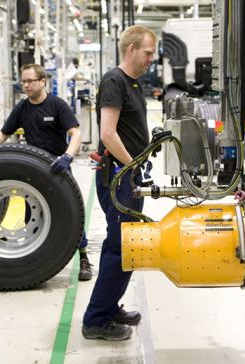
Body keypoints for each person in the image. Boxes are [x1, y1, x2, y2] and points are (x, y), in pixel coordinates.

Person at [82, 25, 157, 341]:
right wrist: (133, 165)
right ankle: (95, 320)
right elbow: (107, 134)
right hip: (118, 178)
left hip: (128, 176)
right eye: (148, 52)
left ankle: (109, 305)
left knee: (127, 245)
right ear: (131, 49)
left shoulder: (134, 84)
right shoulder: (114, 81)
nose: (151, 58)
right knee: (121, 246)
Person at [0, 63, 93, 281]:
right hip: (33, 170)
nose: (25, 85)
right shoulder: (22, 108)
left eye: (30, 81)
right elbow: (4, 134)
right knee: (31, 214)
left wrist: (67, 157)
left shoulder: (57, 105)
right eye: (23, 81)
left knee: (71, 213)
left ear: (42, 81)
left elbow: (76, 134)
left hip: (58, 167)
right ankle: (34, 258)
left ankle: (83, 257)